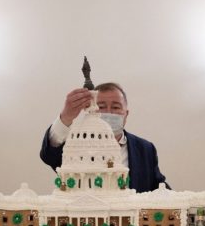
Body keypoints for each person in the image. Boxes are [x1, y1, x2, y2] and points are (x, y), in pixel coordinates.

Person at [40, 82, 168, 193]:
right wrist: (66, 117)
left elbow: (159, 188)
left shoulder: (145, 149)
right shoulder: (78, 144)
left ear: (126, 114)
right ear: (92, 110)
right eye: (101, 107)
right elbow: (49, 155)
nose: (108, 112)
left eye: (116, 107)